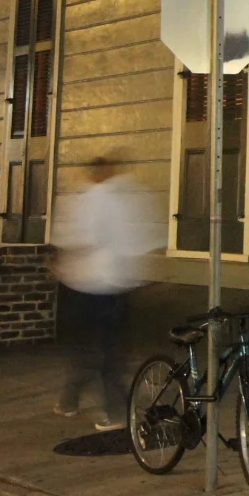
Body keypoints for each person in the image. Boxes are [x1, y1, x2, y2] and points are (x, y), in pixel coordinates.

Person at [52, 155, 162, 430]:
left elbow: (82, 239)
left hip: (89, 285)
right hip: (119, 285)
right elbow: (146, 239)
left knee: (90, 350)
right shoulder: (131, 195)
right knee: (109, 351)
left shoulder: (94, 197)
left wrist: (61, 260)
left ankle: (108, 411)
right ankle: (76, 401)